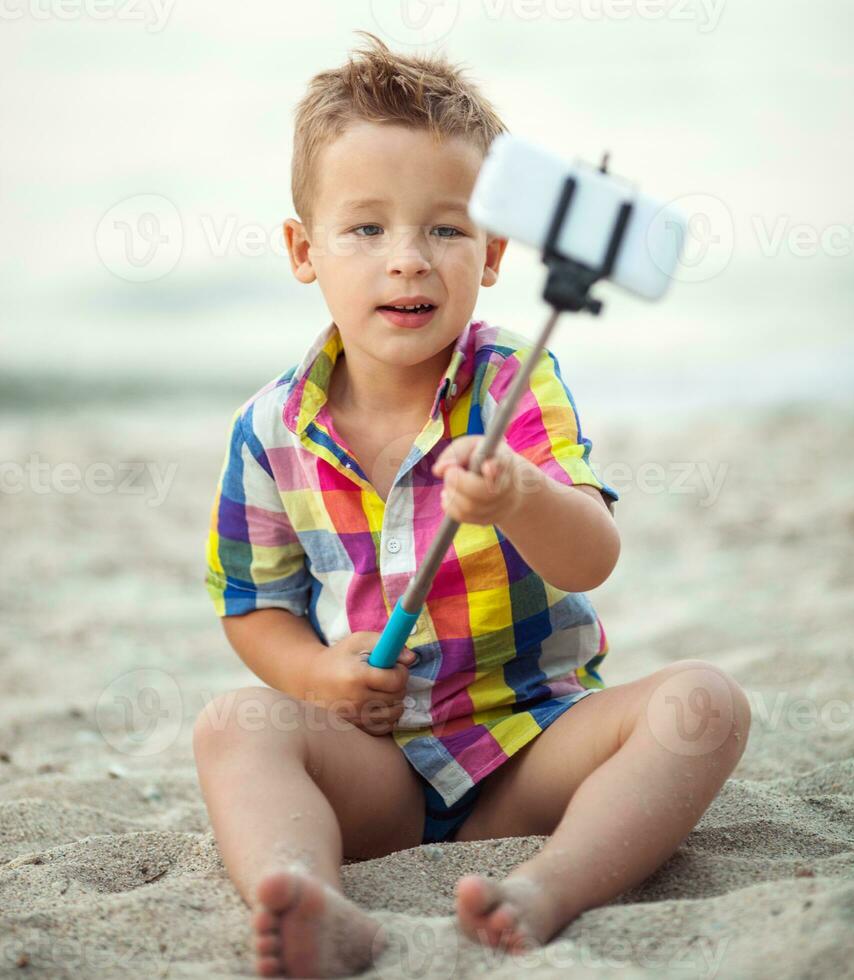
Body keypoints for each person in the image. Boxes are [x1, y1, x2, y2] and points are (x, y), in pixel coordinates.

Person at [194, 30, 751, 979]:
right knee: (229, 726)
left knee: (705, 705)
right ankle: (315, 899)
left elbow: (589, 560)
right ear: (303, 250)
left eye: (444, 229)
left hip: (533, 751)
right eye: (365, 229)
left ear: (492, 254)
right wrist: (318, 681)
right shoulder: (270, 428)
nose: (407, 260)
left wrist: (520, 495)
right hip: (379, 776)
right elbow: (252, 607)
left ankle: (548, 887)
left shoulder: (511, 386)